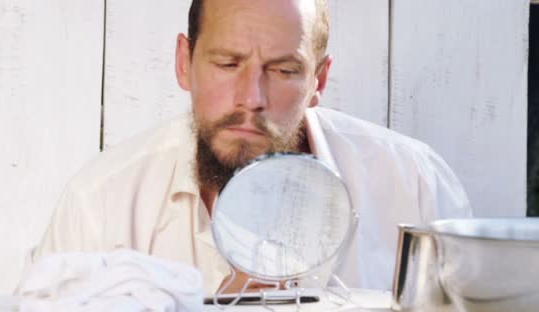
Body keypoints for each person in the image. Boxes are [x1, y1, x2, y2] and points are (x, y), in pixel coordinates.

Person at [32, 0, 472, 295]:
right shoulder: (100, 203)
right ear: (184, 63)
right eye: (227, 64)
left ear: (317, 81)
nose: (251, 97)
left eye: (282, 70)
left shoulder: (414, 186)